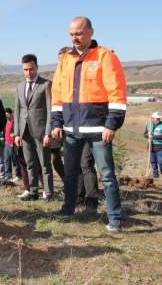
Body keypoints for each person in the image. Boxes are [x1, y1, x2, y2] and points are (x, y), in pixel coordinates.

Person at [51, 17, 127, 232]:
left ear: (91, 32)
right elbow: (57, 94)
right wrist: (57, 122)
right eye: (71, 34)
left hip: (98, 130)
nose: (75, 37)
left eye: (79, 33)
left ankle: (114, 219)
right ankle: (68, 209)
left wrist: (111, 124)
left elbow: (117, 93)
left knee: (107, 176)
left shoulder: (105, 56)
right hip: (71, 131)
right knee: (71, 173)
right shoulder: (65, 59)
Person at [13, 54, 54, 201]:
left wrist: (48, 133)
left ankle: (48, 193)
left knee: (44, 164)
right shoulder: (19, 87)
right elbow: (17, 111)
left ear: (37, 67)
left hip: (41, 131)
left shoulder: (46, 84)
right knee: (30, 163)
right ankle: (33, 191)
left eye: (31, 69)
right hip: (24, 132)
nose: (28, 72)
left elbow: (50, 110)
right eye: (25, 69)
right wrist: (16, 133)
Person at [1, 108, 22, 183]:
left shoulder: (15, 122)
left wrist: (15, 134)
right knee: (6, 160)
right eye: (5, 114)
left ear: (11, 113)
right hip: (7, 143)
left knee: (15, 161)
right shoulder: (5, 121)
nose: (7, 116)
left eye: (8, 114)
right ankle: (8, 176)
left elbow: (19, 130)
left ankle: (18, 176)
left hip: (14, 144)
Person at [144, 112, 162, 178]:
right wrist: (147, 135)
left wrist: (153, 137)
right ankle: (155, 176)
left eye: (159, 118)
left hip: (160, 147)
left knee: (161, 162)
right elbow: (145, 134)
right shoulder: (149, 125)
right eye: (157, 118)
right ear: (152, 119)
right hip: (151, 146)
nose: (158, 119)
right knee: (153, 162)